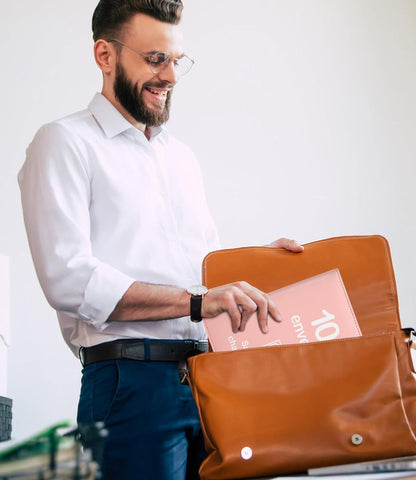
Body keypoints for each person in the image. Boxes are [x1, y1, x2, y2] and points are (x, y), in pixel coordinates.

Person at [18, 0, 304, 479]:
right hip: (130, 385)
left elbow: (201, 277)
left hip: (210, 380)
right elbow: (68, 280)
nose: (169, 76)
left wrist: (261, 267)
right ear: (105, 56)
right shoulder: (64, 142)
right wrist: (196, 302)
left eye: (176, 61)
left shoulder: (181, 159)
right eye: (154, 60)